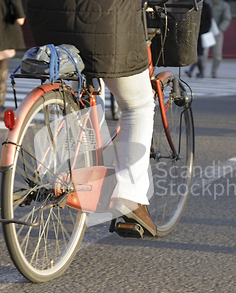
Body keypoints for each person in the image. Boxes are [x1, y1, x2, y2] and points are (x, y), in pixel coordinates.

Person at [27, 0, 158, 236]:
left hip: (48, 22)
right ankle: (129, 196)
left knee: (80, 94)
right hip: (106, 21)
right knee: (138, 105)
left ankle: (79, 168)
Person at [202, 0, 231, 78]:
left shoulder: (224, 5)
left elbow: (227, 18)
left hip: (217, 32)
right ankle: (202, 71)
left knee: (217, 55)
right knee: (203, 53)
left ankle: (214, 72)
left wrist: (221, 29)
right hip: (207, 31)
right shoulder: (207, 3)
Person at [186, 1, 213, 78]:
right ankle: (200, 72)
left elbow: (209, 20)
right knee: (197, 52)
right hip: (194, 32)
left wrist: (204, 31)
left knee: (199, 53)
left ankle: (193, 71)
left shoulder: (206, 6)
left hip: (201, 33)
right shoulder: (193, 5)